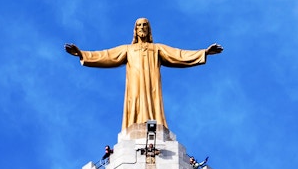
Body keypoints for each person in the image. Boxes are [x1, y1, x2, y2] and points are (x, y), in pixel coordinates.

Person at [65, 18, 223, 131]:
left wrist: (204, 52)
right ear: (135, 30)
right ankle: (134, 125)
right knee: (135, 101)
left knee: (152, 100)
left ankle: (155, 125)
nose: (142, 27)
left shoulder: (157, 48)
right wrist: (82, 54)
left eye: (145, 25)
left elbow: (179, 55)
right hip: (135, 83)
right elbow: (107, 55)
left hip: (152, 83)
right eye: (139, 25)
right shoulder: (128, 49)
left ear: (148, 29)